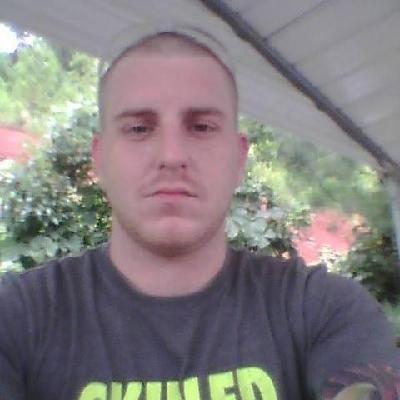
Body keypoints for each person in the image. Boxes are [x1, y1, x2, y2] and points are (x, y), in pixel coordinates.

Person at [0, 25, 399, 400]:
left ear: (239, 158)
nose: (172, 155)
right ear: (99, 159)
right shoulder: (17, 318)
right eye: (139, 128)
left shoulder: (324, 310)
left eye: (202, 127)